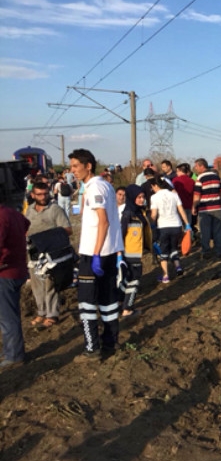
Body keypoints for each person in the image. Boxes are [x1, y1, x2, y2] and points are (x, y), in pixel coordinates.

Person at [69, 148, 124, 361]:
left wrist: (96, 253)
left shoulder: (94, 188)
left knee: (86, 302)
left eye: (76, 166)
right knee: (108, 300)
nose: (72, 170)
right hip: (108, 252)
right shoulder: (105, 185)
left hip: (95, 254)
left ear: (88, 166)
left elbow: (103, 220)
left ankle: (91, 348)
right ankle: (110, 342)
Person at [24, 181, 73, 328]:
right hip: (33, 253)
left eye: (45, 193)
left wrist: (46, 237)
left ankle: (52, 315)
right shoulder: (29, 210)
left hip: (51, 254)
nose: (43, 196)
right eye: (39, 194)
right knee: (36, 284)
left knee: (51, 284)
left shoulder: (55, 209)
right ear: (33, 195)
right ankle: (41, 312)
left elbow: (68, 229)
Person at [0, 204, 30, 369]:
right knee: (11, 313)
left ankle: (14, 354)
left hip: (5, 272)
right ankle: (10, 349)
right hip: (18, 269)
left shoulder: (1, 217)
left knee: (7, 317)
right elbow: (27, 224)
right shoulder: (12, 213)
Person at [119, 184, 152, 316]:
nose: (142, 199)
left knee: (126, 280)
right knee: (134, 280)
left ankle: (119, 304)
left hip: (137, 252)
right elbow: (121, 234)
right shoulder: (128, 214)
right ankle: (127, 308)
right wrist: (119, 253)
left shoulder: (140, 212)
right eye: (139, 197)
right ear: (132, 197)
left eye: (143, 197)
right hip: (130, 253)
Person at [149, 177, 190, 283]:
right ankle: (178, 267)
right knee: (174, 247)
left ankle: (165, 275)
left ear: (156, 186)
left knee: (163, 251)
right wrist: (187, 224)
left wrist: (150, 225)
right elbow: (181, 209)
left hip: (163, 226)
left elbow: (154, 214)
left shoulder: (154, 197)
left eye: (152, 187)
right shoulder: (174, 194)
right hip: (176, 225)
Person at [193, 159, 221, 259]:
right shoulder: (217, 177)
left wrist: (194, 206)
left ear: (201, 166)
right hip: (217, 207)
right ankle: (219, 251)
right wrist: (220, 203)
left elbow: (197, 196)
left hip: (205, 209)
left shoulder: (200, 178)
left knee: (205, 231)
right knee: (217, 231)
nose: (195, 168)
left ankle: (206, 252)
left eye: (196, 166)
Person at [172, 163, 195, 228]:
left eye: (177, 171)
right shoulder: (192, 181)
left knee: (179, 225)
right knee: (188, 224)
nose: (176, 173)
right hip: (189, 206)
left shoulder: (175, 180)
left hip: (179, 206)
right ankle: (189, 237)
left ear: (180, 171)